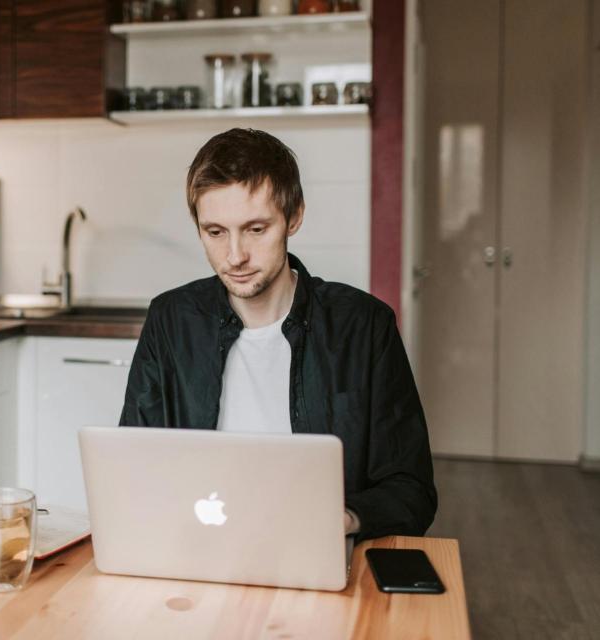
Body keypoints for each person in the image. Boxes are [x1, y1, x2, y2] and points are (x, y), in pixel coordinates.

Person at [119, 128, 436, 541]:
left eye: (255, 229)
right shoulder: (170, 319)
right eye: (215, 232)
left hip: (316, 551)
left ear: (294, 216)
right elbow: (132, 467)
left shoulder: (364, 326)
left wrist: (343, 519)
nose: (235, 256)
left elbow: (412, 492)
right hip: (195, 547)